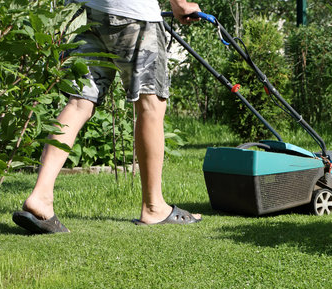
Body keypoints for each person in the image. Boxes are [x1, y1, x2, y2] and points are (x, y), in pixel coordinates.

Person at [12, 0, 202, 233]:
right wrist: (181, 5)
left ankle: (41, 196)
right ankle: (154, 207)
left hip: (85, 11)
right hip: (131, 12)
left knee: (79, 102)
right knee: (151, 105)